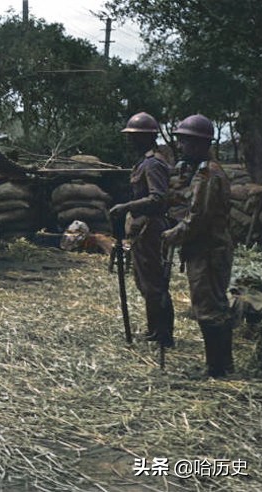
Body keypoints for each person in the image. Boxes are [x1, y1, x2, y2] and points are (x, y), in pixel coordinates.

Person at [161, 114, 234, 378]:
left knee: (208, 308)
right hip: (207, 250)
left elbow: (197, 220)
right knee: (213, 304)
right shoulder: (202, 173)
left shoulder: (208, 175)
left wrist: (173, 234)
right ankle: (221, 364)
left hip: (208, 251)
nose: (181, 147)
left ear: (200, 144)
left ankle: (217, 368)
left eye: (186, 142)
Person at [110, 112, 175, 347]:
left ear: (147, 137)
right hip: (141, 229)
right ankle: (154, 330)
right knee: (145, 281)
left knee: (154, 282)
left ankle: (162, 334)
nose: (130, 141)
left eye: (134, 137)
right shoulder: (143, 163)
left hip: (151, 227)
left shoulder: (153, 164)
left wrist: (126, 206)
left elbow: (158, 198)